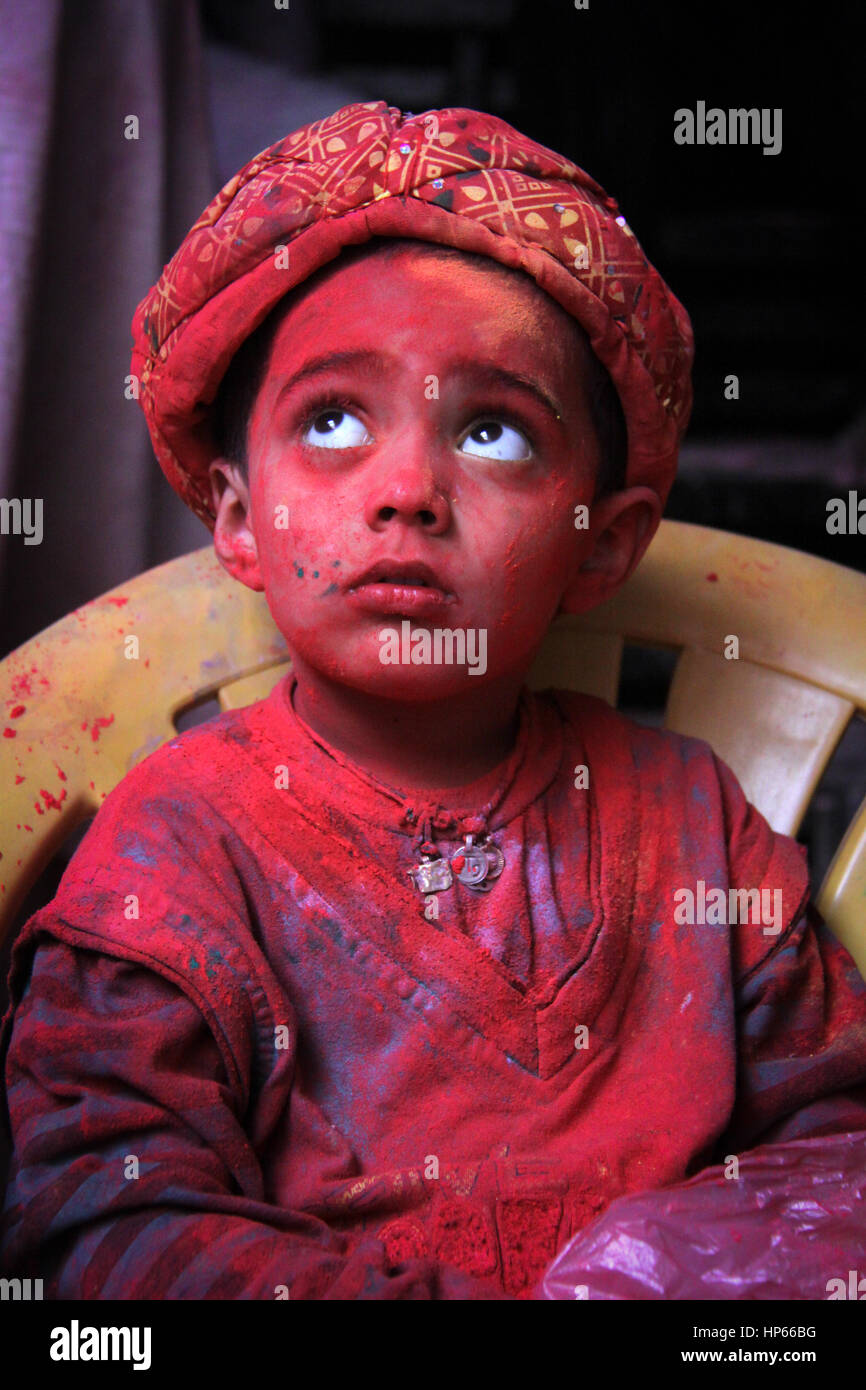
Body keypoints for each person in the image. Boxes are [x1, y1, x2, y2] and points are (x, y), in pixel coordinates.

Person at [1, 101, 864, 1301]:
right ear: (239, 518)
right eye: (334, 420)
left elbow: (834, 1160)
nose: (407, 490)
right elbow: (102, 1232)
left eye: (495, 434)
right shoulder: (168, 855)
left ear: (600, 546)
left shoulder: (692, 827)